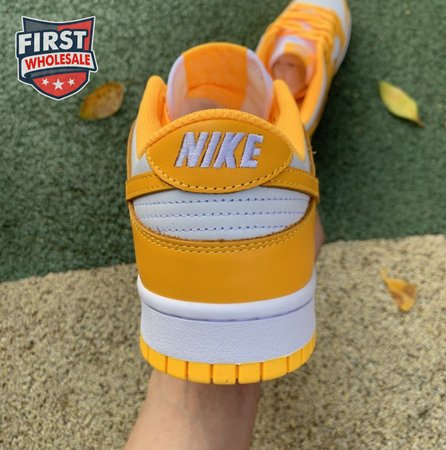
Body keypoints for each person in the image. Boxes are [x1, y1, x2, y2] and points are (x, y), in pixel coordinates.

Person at [124, 1, 351, 448]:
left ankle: (190, 160)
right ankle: (279, 131)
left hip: (165, 207)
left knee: (190, 400)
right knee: (269, 121)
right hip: (277, 204)